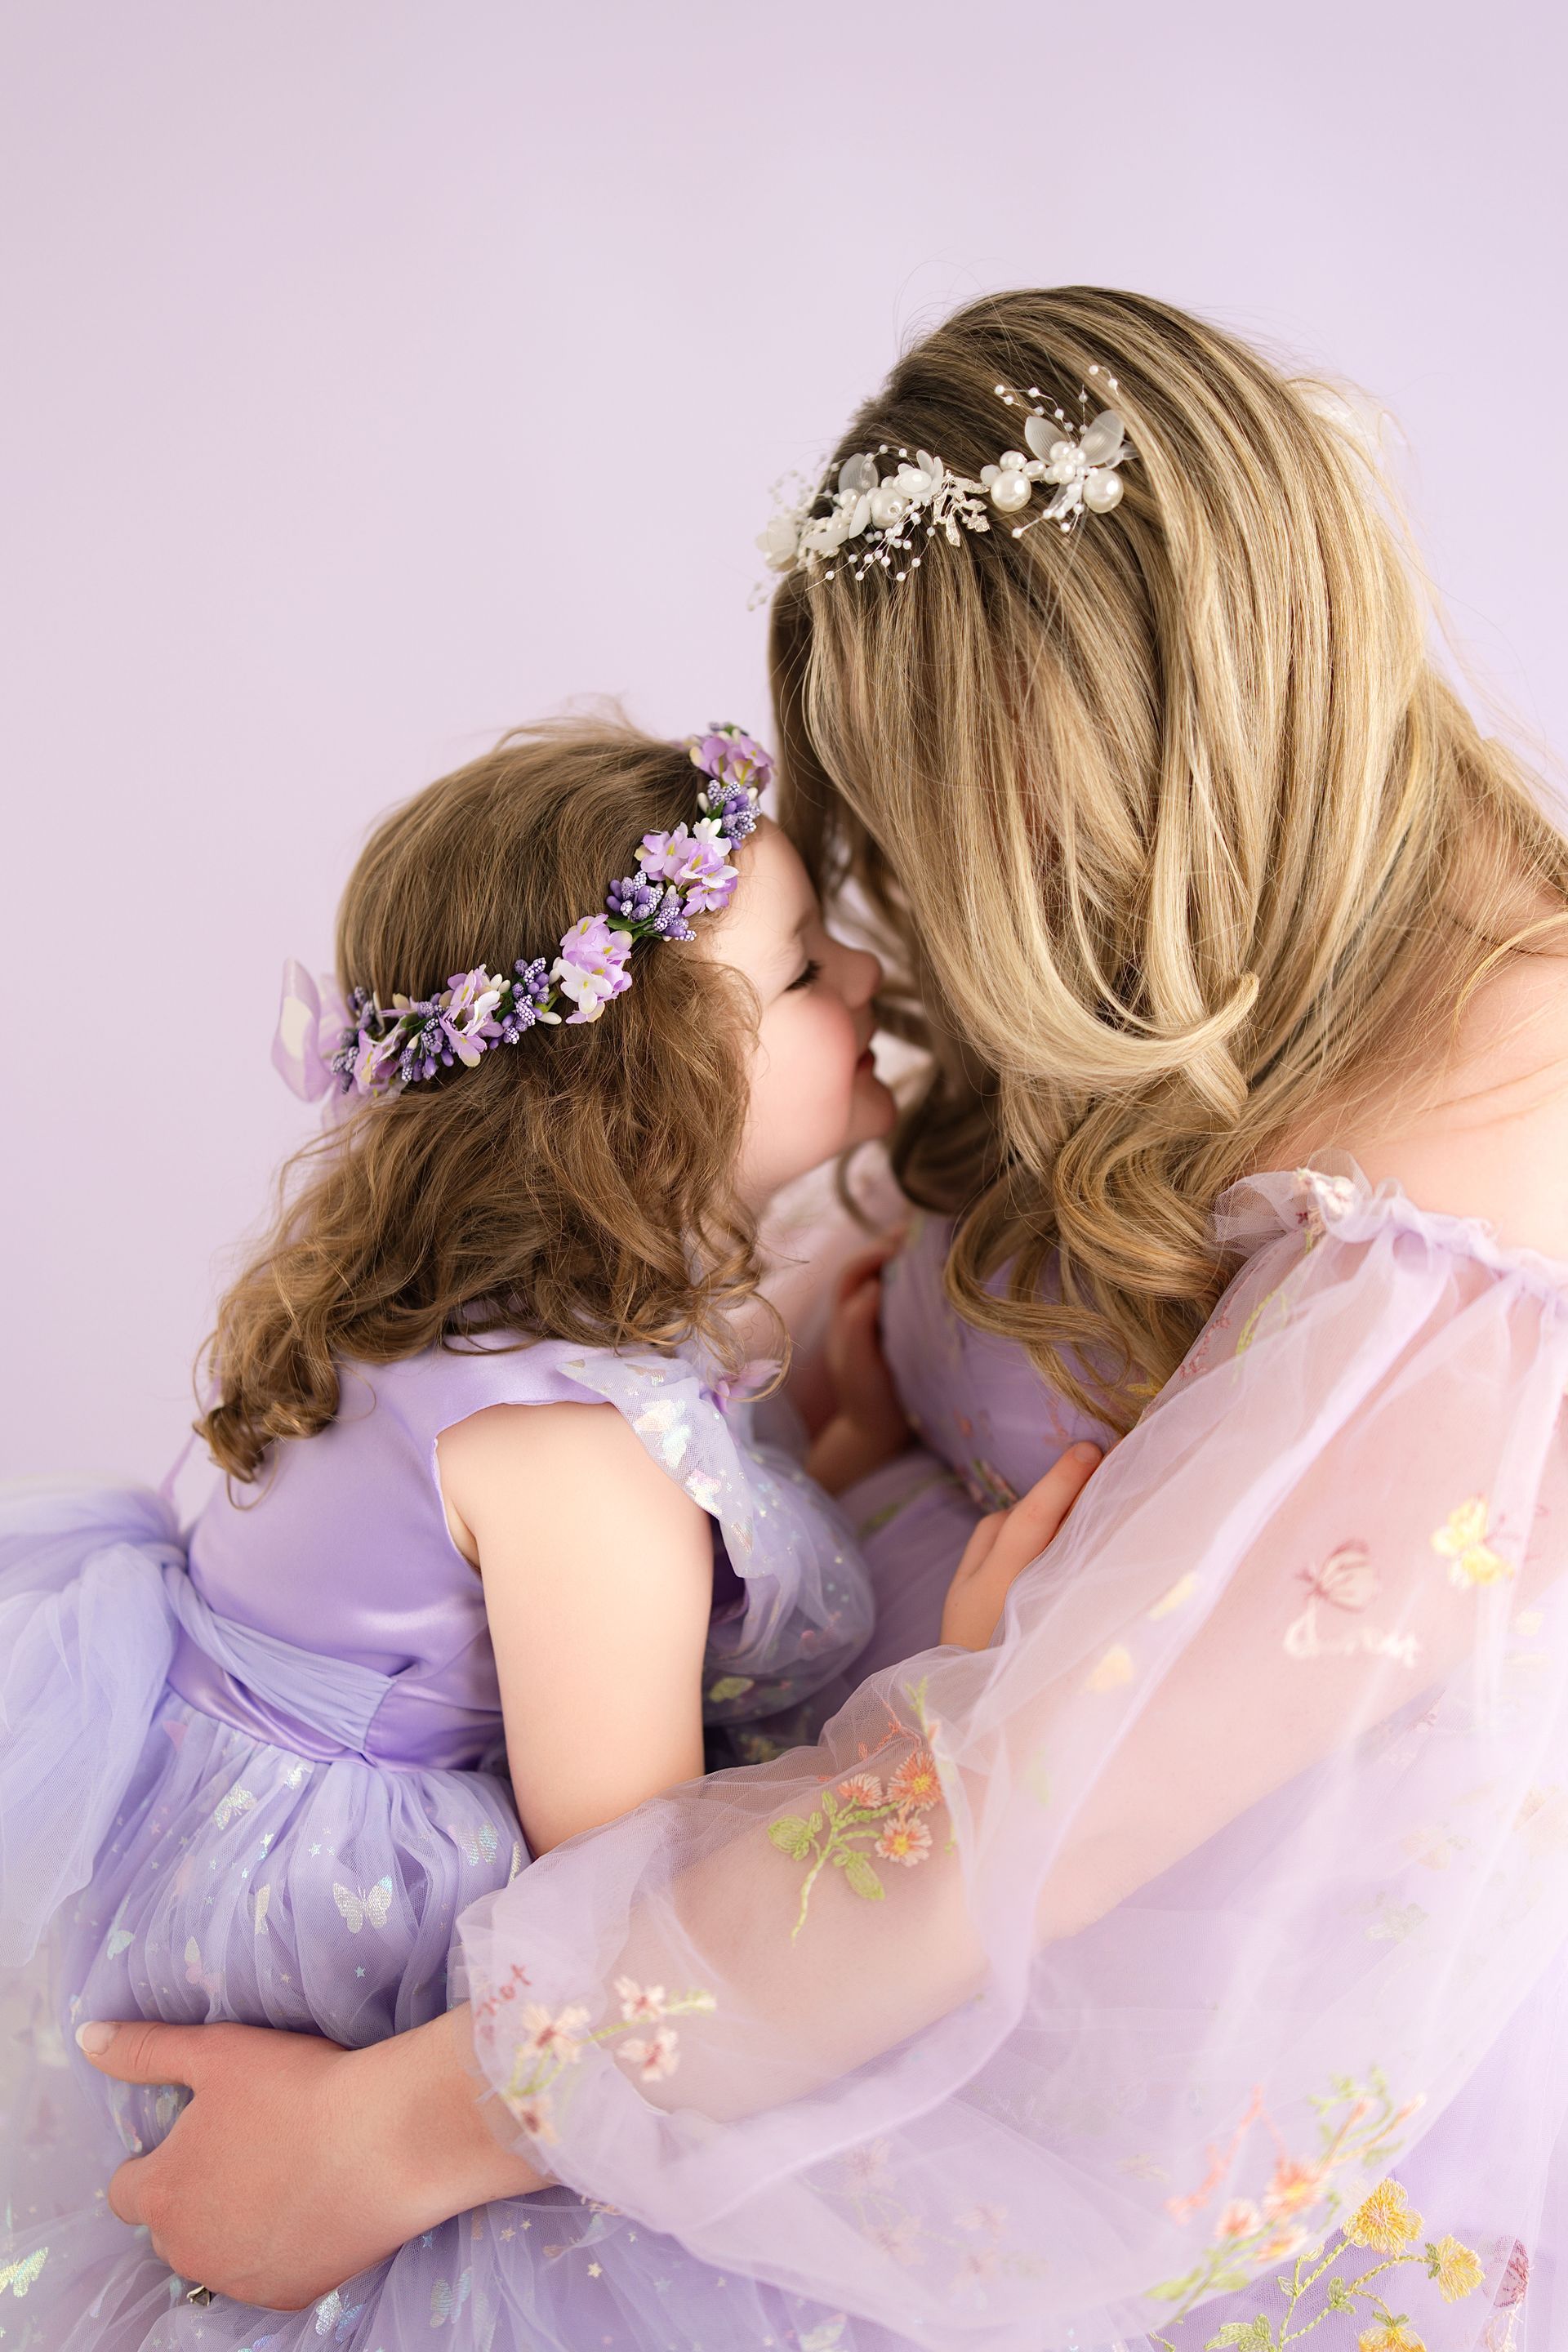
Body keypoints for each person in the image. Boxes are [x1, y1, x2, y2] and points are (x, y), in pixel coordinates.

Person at [48, 287, 1568, 2351]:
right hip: (733, 1977)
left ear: (1114, 769)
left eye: (947, 842)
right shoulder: (1213, 959)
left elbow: (1039, 1812)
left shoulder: (1481, 1214)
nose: (899, 949)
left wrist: (387, 2139)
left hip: (949, 2061)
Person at [0, 710, 1098, 2348]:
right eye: (805, 970)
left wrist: (842, 1442)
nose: (871, 978)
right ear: (645, 1092)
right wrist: (956, 1681)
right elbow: (644, 1922)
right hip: (375, 1994)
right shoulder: (578, 1463)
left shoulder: (484, 1327)